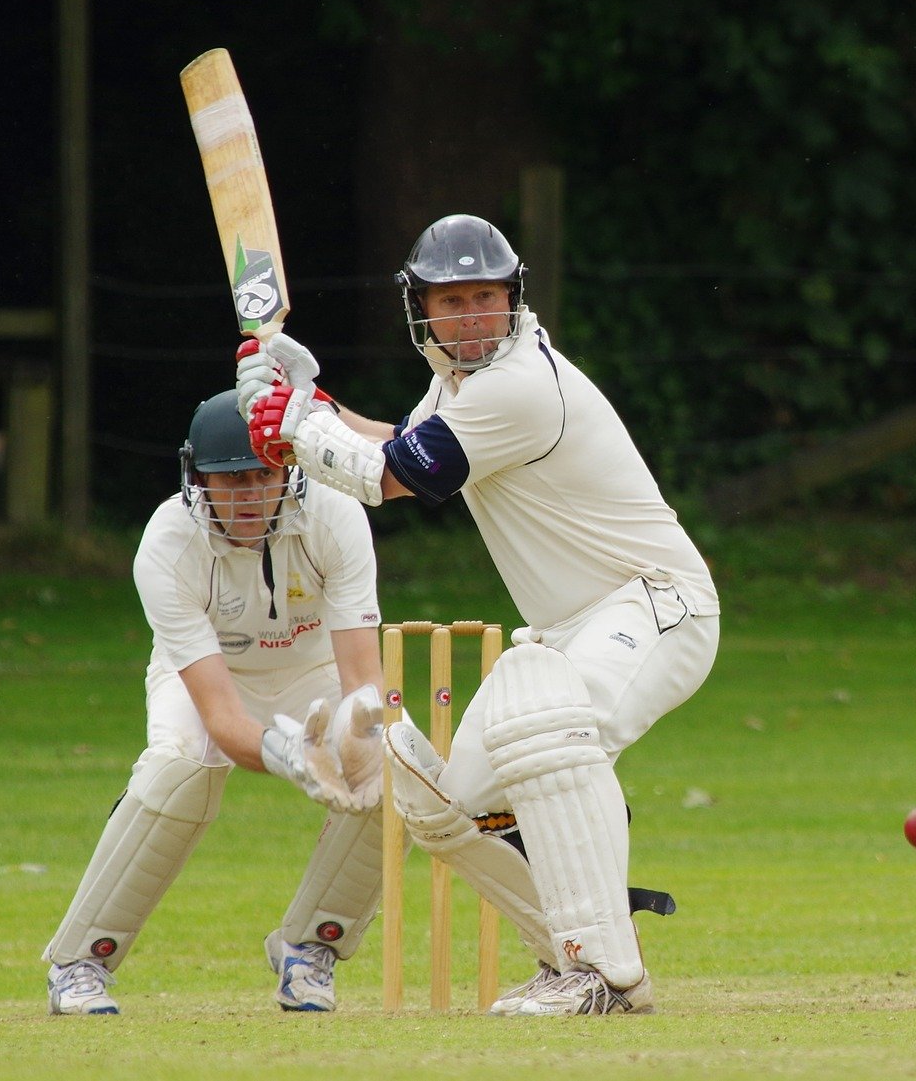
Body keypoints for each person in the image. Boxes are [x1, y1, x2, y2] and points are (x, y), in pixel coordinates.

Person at [236, 214, 720, 1017]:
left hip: (654, 602)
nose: (469, 316)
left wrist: (293, 425)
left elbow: (389, 478)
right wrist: (311, 404)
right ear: (421, 306)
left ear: (512, 298)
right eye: (451, 299)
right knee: (447, 804)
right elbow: (403, 442)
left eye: (484, 298)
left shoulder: (519, 383)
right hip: (573, 626)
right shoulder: (459, 385)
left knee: (548, 724)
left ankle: (601, 970)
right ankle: (563, 953)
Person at [44, 389, 389, 1016]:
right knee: (178, 770)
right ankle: (79, 964)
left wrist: (362, 736)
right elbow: (223, 718)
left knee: (392, 768)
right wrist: (288, 756)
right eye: (230, 480)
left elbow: (364, 678)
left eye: (264, 475)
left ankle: (307, 950)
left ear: (289, 468)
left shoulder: (334, 514)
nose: (251, 495)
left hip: (311, 669)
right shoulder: (169, 543)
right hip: (206, 674)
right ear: (195, 477)